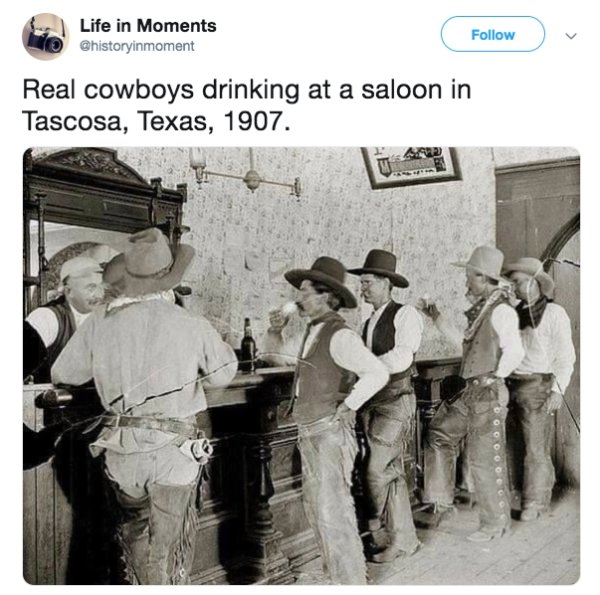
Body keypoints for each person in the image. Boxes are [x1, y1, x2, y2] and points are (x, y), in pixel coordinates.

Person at [52, 228, 238, 584]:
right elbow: (222, 375)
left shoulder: (99, 325)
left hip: (123, 454)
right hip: (174, 453)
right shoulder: (190, 323)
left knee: (134, 539)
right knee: (168, 550)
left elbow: (64, 373)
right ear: (169, 280)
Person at [263, 256, 389, 584]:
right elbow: (276, 358)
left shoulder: (339, 335)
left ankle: (350, 583)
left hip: (330, 435)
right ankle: (338, 578)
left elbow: (378, 372)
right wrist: (275, 332)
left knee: (334, 513)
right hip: (311, 433)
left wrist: (349, 406)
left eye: (304, 291)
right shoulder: (312, 331)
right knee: (319, 510)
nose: (298, 297)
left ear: (325, 296)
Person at [422, 246, 524, 542]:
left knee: (484, 459)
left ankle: (495, 524)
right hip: (469, 393)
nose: (466, 283)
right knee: (438, 435)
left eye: (470, 278)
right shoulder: (481, 312)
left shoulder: (502, 310)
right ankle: (441, 500)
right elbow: (462, 343)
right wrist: (436, 316)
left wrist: (497, 377)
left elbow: (515, 350)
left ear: (484, 278)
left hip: (487, 394)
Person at [347, 249, 422, 562]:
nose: (362, 288)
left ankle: (378, 527)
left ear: (386, 283)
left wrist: (369, 366)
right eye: (361, 283)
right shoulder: (367, 323)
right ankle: (404, 540)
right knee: (387, 470)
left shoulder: (406, 315)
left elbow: (404, 355)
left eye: (367, 283)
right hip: (373, 404)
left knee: (377, 470)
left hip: (396, 402)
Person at [503, 257, 575, 521]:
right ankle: (523, 492)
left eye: (519, 282)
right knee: (514, 443)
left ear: (534, 283)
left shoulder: (555, 314)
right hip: (511, 385)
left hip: (539, 386)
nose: (514, 287)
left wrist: (558, 390)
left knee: (535, 446)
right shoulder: (514, 313)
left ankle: (536, 501)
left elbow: (566, 357)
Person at [26, 256, 105, 365]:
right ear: (68, 291)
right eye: (91, 288)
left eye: (100, 287)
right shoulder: (46, 318)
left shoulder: (104, 318)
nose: (99, 294)